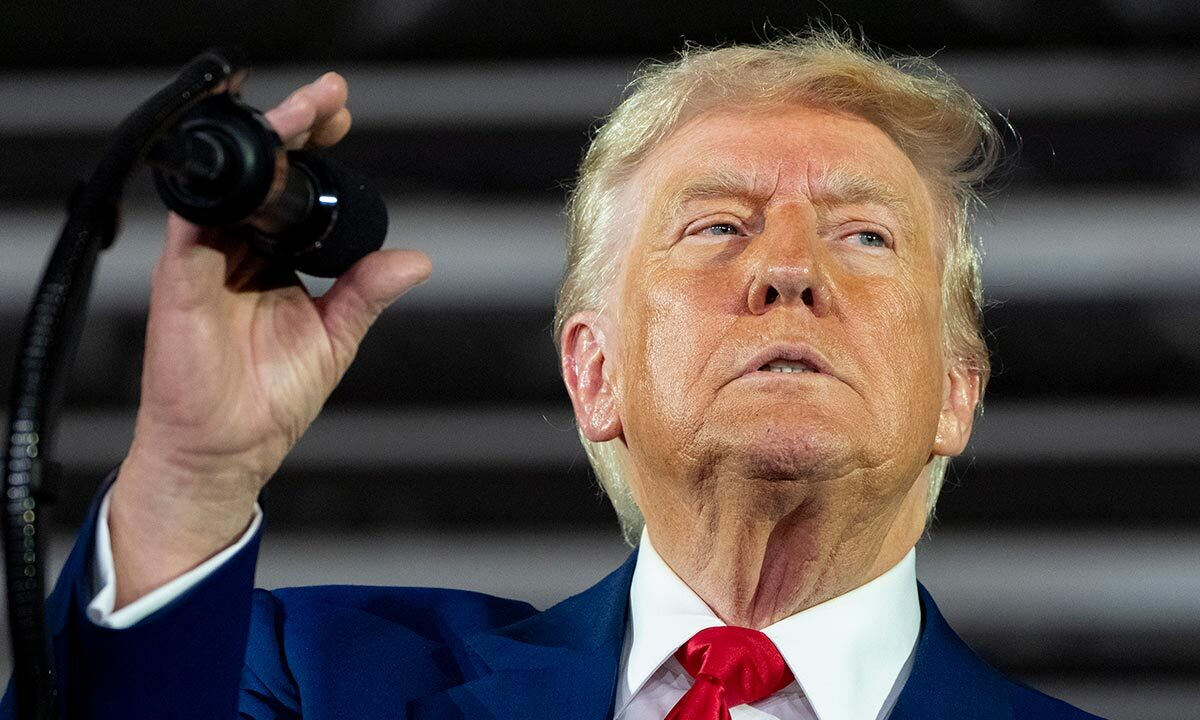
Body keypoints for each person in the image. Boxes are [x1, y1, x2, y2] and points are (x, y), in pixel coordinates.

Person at [2, 30, 1103, 719]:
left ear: (958, 390)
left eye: (865, 236)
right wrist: (191, 476)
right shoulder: (317, 682)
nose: (788, 269)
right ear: (594, 373)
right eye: (718, 226)